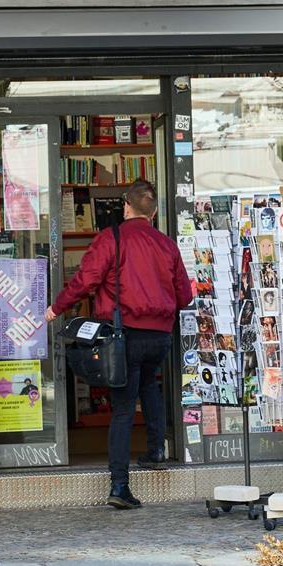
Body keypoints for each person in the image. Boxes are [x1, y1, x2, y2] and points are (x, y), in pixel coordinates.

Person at [45, 179, 191, 509]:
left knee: (123, 408)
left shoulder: (111, 238)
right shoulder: (167, 245)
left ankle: (119, 485)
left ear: (126, 206)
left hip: (124, 334)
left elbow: (86, 280)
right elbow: (185, 295)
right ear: (153, 212)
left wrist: (57, 307)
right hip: (159, 336)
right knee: (150, 386)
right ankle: (156, 450)